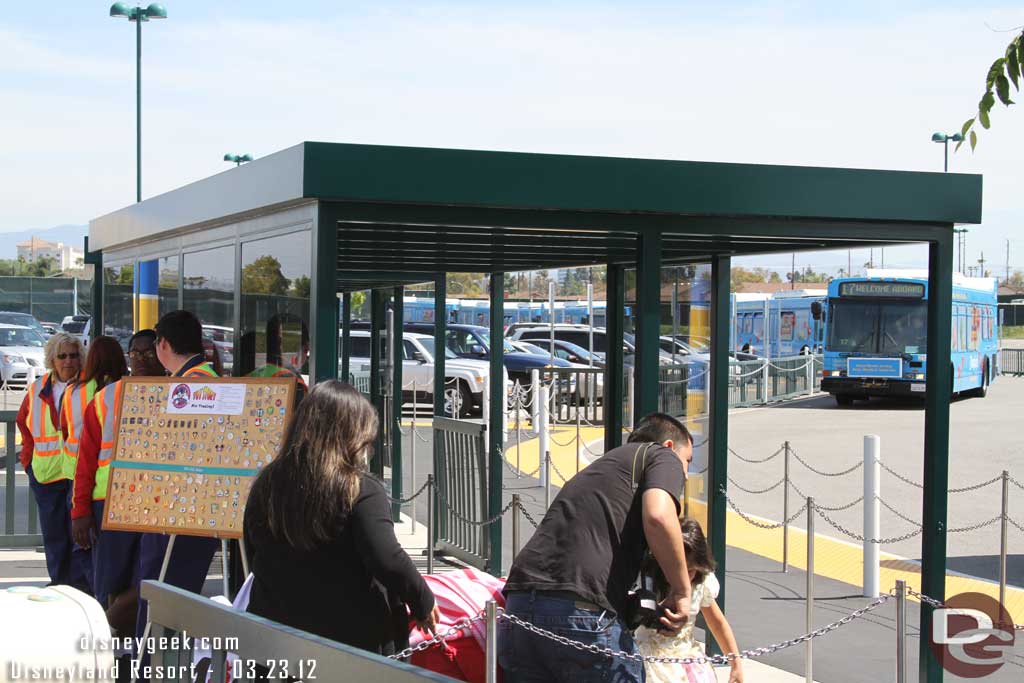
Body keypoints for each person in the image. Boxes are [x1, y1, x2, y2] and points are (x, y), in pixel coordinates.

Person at [243, 380, 439, 655]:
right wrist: (423, 600)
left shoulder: (266, 484)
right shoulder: (359, 489)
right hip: (350, 644)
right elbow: (387, 558)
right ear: (353, 435)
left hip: (275, 639)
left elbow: (253, 551)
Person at [500, 413, 694, 683]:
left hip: (519, 607)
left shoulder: (605, 468)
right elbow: (659, 516)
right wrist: (682, 590)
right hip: (580, 614)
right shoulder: (661, 456)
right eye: (687, 462)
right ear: (671, 447)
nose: (685, 473)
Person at [71, 330, 164, 635]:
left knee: (148, 580)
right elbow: (85, 462)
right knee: (110, 581)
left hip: (158, 506)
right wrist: (80, 511)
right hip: (108, 504)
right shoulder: (105, 399)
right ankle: (112, 646)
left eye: (148, 352)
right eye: (134, 353)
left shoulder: (178, 394)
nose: (140, 359)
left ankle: (113, 634)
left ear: (162, 352)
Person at [135, 311, 220, 641]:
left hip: (174, 512)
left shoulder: (187, 388)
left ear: (164, 344)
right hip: (197, 512)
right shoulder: (207, 378)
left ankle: (154, 672)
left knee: (162, 604)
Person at [16, 331, 88, 589]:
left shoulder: (87, 387)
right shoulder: (37, 388)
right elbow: (24, 425)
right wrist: (28, 463)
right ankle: (59, 587)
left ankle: (79, 590)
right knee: (55, 538)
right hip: (45, 475)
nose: (68, 361)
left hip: (75, 475)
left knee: (79, 538)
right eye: (62, 356)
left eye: (73, 355)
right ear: (52, 359)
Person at [635, 519, 743, 683]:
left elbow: (717, 623)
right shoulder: (647, 581)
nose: (684, 577)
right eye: (678, 568)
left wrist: (736, 664)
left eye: (691, 570)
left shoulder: (700, 585)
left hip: (687, 661)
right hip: (649, 661)